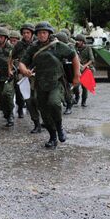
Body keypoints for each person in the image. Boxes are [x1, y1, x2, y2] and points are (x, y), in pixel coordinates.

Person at [19, 21, 80, 149]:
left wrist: (76, 75)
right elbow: (22, 62)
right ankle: (52, 137)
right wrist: (24, 70)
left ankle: (59, 127)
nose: (42, 35)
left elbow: (73, 56)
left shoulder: (58, 46)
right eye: (39, 33)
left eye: (44, 32)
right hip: (40, 84)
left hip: (56, 82)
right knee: (44, 111)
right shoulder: (33, 47)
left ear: (49, 33)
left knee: (54, 103)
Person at [10, 23, 41, 133]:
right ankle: (37, 123)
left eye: (28, 33)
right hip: (24, 76)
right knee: (28, 100)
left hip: (39, 75)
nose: (26, 35)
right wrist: (10, 69)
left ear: (32, 33)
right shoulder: (19, 45)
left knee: (40, 99)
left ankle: (46, 121)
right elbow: (11, 57)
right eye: (24, 33)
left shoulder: (39, 43)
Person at [55, 32, 75, 115]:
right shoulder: (54, 46)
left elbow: (74, 58)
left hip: (65, 71)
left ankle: (69, 106)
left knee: (66, 89)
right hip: (56, 71)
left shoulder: (69, 47)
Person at [73, 34, 94, 107]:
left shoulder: (88, 48)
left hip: (86, 68)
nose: (77, 42)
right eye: (77, 40)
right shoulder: (75, 48)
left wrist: (84, 66)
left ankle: (84, 101)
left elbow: (91, 59)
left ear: (82, 42)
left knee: (84, 86)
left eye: (79, 41)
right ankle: (76, 97)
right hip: (77, 68)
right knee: (75, 86)